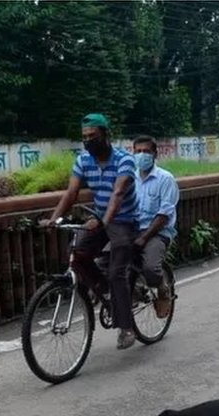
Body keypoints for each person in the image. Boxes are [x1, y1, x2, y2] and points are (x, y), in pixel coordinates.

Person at [41, 113, 139, 349]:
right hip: (99, 217)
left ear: (106, 135)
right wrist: (53, 220)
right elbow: (71, 192)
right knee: (78, 252)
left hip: (124, 220)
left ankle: (126, 327)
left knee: (117, 271)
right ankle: (105, 290)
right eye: (84, 137)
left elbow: (117, 194)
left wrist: (104, 222)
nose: (88, 141)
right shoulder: (83, 160)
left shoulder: (125, 159)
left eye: (92, 136)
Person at [131, 135, 179, 318]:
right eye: (138, 151)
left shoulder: (165, 179)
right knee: (106, 261)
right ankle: (133, 294)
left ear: (155, 154)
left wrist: (144, 237)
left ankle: (162, 287)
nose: (142, 155)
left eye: (146, 151)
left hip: (157, 232)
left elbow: (164, 215)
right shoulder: (129, 179)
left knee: (150, 268)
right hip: (133, 229)